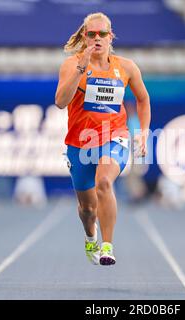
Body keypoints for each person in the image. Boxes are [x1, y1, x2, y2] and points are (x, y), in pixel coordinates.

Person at [55, 12, 151, 266]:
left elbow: (143, 99)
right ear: (84, 37)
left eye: (102, 34)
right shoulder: (71, 64)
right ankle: (91, 237)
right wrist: (80, 68)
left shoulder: (127, 67)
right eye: (92, 34)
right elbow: (60, 102)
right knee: (87, 210)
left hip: (114, 136)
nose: (97, 39)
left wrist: (142, 131)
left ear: (111, 36)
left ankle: (107, 245)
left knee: (105, 184)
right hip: (80, 144)